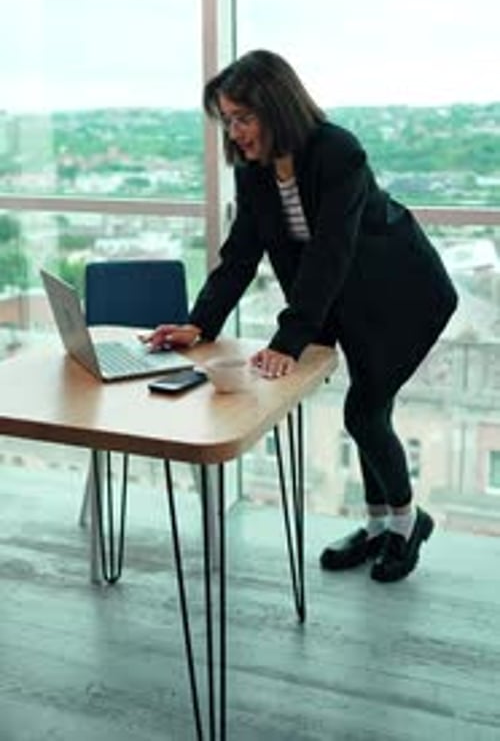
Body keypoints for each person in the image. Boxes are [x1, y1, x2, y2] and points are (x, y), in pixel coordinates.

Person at [145, 49, 458, 583]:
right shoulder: (256, 172)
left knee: (364, 412)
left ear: (276, 106)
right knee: (368, 411)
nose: (235, 132)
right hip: (348, 299)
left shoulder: (338, 151)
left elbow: (330, 250)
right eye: (228, 120)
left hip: (404, 297)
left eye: (243, 117)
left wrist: (288, 341)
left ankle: (408, 523)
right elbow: (241, 251)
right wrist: (200, 322)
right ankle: (381, 525)